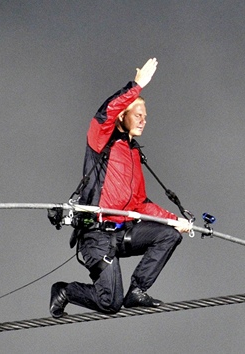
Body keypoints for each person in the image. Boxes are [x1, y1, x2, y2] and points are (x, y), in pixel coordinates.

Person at [49, 58, 191, 317]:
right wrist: (136, 86)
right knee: (109, 304)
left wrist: (174, 220)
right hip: (96, 237)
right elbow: (106, 112)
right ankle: (65, 291)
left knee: (169, 235)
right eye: (138, 115)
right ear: (124, 115)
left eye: (146, 117)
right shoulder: (101, 140)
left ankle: (137, 290)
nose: (143, 121)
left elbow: (140, 203)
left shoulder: (134, 154)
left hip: (122, 233)